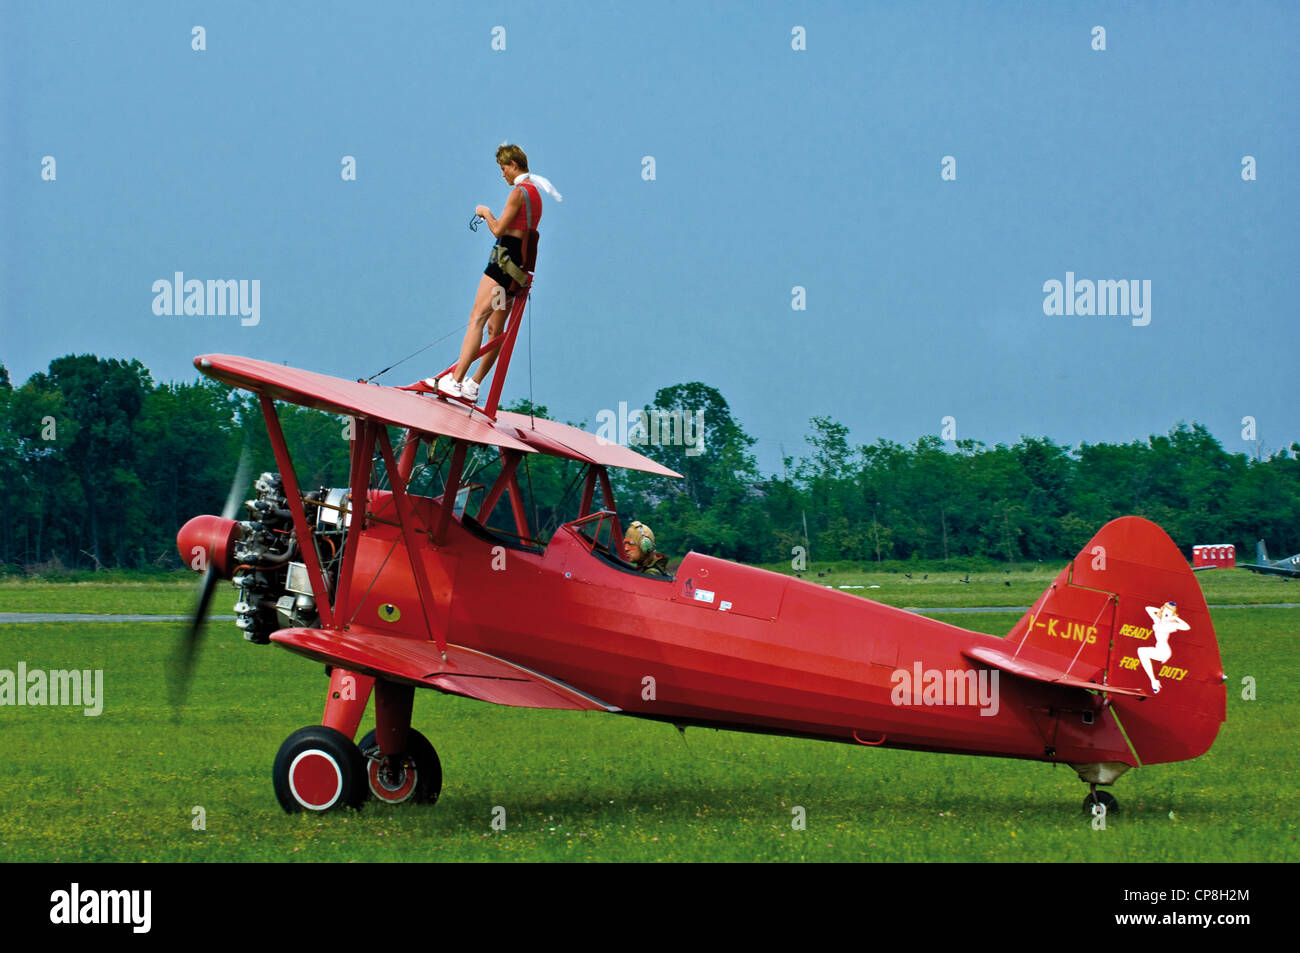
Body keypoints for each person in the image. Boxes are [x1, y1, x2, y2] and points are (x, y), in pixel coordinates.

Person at [426, 144, 559, 402]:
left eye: (503, 169)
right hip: (516, 268)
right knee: (494, 329)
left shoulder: (519, 193)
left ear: (513, 165)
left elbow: (498, 229)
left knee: (477, 317)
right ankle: (473, 385)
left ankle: (455, 380)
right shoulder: (536, 195)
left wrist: (484, 211)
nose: (502, 175)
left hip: (502, 261)